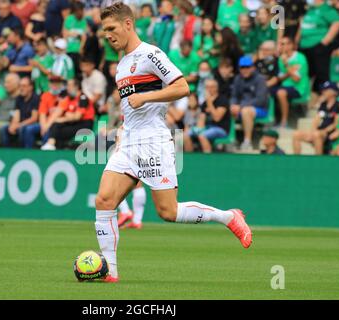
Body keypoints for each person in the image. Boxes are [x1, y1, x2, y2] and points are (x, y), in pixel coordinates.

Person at [96, 2, 252, 283]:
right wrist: (121, 132)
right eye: (104, 29)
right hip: (129, 141)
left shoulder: (151, 54)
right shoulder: (120, 67)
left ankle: (228, 217)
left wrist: (146, 96)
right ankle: (110, 272)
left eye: (111, 28)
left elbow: (182, 86)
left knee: (168, 211)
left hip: (154, 141)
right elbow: (130, 109)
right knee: (104, 199)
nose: (107, 34)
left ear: (128, 24)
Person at [298, 0, 339, 93]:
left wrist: (324, 42)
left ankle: (322, 101)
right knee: (305, 74)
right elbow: (301, 24)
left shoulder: (327, 9)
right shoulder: (309, 9)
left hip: (318, 47)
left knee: (321, 75)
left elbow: (337, 23)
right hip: (304, 46)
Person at [41, 79, 95, 150]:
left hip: (84, 125)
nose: (68, 88)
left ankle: (53, 145)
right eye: (67, 85)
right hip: (73, 123)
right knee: (55, 125)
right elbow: (57, 113)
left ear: (76, 87)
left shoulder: (83, 98)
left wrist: (62, 119)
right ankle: (51, 144)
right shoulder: (68, 98)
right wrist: (46, 126)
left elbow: (77, 117)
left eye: (70, 85)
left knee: (58, 129)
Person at [230, 56, 269, 151]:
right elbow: (234, 96)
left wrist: (241, 106)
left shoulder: (260, 79)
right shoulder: (238, 79)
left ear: (253, 67)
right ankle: (231, 140)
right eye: (242, 67)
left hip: (260, 109)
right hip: (241, 108)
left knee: (246, 111)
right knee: (228, 108)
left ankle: (247, 141)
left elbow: (261, 99)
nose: (245, 70)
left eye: (247, 67)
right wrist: (233, 105)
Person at [292, 81, 339, 155]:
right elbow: (316, 119)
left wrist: (325, 131)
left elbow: (336, 123)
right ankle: (296, 159)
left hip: (330, 133)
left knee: (317, 135)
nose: (323, 92)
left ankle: (318, 160)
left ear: (333, 92)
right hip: (318, 132)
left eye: (326, 90)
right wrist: (312, 131)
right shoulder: (323, 105)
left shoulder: (338, 105)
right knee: (296, 134)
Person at [273, 36, 310, 127]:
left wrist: (286, 65)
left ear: (291, 45)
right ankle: (270, 120)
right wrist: (290, 70)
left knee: (281, 93)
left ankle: (284, 121)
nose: (282, 46)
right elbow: (281, 77)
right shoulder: (281, 59)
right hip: (285, 85)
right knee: (268, 91)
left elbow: (296, 78)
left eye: (284, 44)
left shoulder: (300, 58)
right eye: (281, 44)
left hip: (299, 87)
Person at [184, 80, 230, 153]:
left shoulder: (222, 100)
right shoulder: (204, 103)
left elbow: (217, 118)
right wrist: (196, 130)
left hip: (221, 129)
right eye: (207, 87)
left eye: (211, 87)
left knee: (202, 135)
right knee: (185, 135)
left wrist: (209, 103)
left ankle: (208, 159)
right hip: (207, 128)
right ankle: (190, 159)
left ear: (216, 88)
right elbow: (201, 121)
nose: (209, 89)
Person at [0, 77, 39, 148]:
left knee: (25, 129)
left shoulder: (35, 98)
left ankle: (24, 153)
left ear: (30, 87)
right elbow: (16, 114)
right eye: (20, 86)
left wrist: (19, 125)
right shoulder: (19, 98)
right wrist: (13, 125)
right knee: (4, 128)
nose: (21, 88)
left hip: (33, 124)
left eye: (24, 86)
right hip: (21, 124)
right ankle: (7, 152)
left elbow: (34, 118)